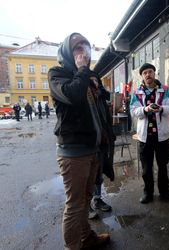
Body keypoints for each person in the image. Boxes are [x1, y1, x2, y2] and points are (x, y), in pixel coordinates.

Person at [48, 33, 112, 249]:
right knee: (75, 205)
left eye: (85, 47)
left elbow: (98, 107)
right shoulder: (57, 74)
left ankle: (87, 238)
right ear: (67, 52)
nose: (82, 52)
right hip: (73, 152)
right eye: (77, 48)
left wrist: (97, 87)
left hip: (92, 149)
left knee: (85, 200)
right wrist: (83, 71)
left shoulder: (87, 76)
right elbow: (73, 95)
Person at [130, 63, 169, 204]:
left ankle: (164, 191)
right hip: (145, 137)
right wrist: (145, 109)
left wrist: (160, 109)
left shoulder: (165, 90)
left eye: (150, 72)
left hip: (161, 136)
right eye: (145, 73)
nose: (148, 75)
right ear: (142, 76)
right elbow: (133, 111)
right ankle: (147, 193)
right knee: (146, 168)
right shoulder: (137, 92)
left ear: (154, 73)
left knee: (163, 166)